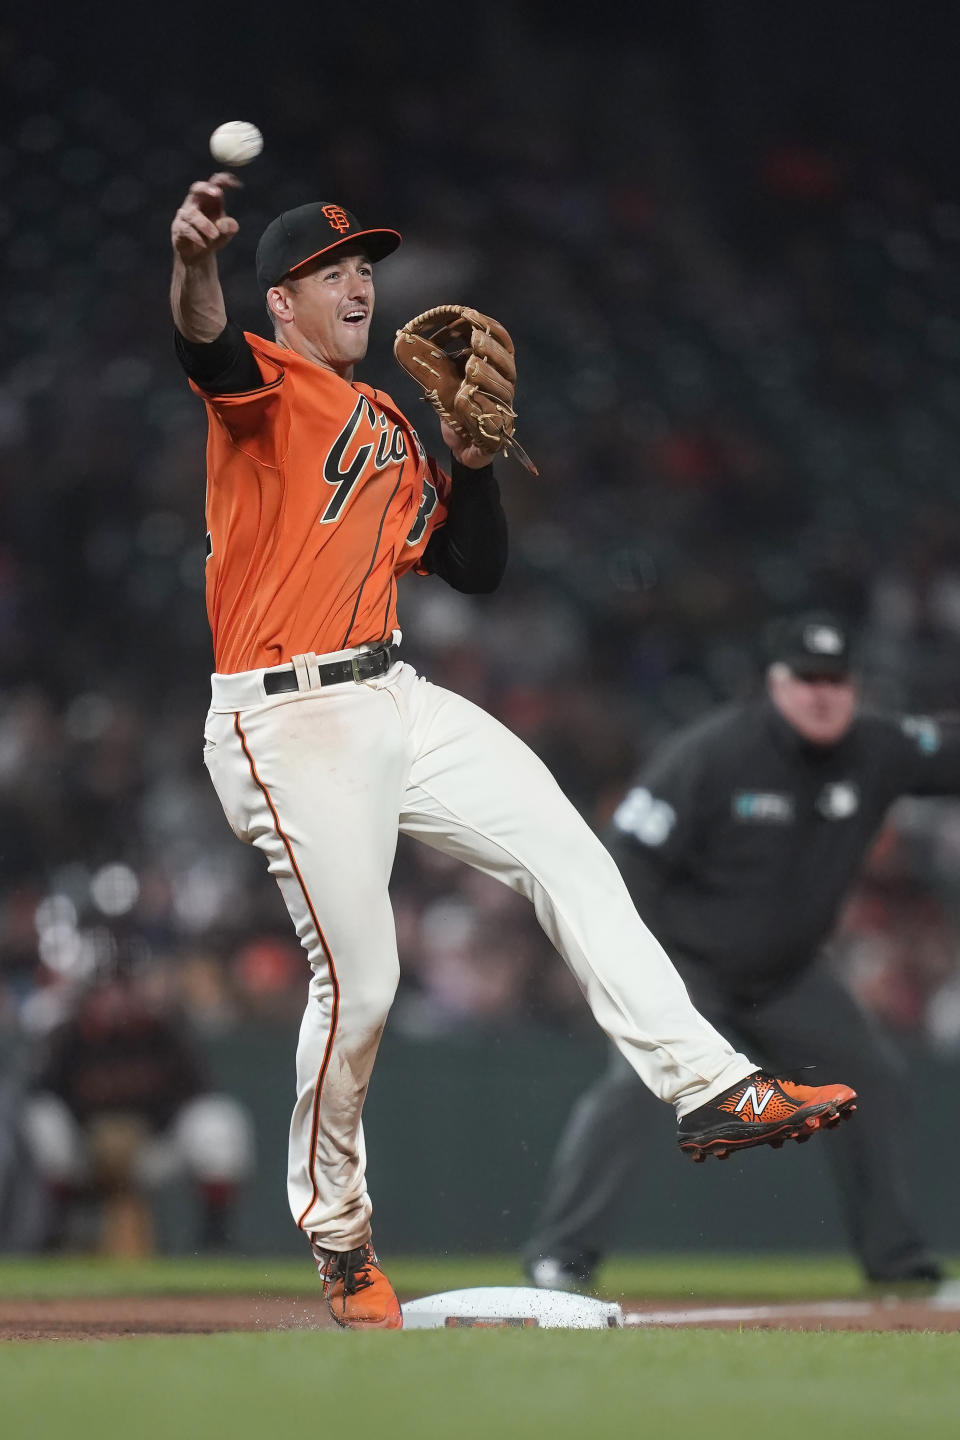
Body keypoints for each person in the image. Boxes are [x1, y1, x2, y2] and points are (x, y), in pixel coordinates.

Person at [169, 175, 856, 1330]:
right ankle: (341, 1239)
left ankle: (710, 1087)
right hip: (285, 716)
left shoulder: (386, 419)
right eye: (330, 272)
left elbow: (474, 569)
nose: (358, 283)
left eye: (365, 266)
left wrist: (472, 459)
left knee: (570, 855)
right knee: (366, 982)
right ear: (279, 302)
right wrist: (193, 261)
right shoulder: (261, 382)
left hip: (395, 688)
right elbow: (200, 344)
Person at [524, 613, 952, 1292]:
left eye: (836, 680)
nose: (822, 694)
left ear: (856, 686)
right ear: (773, 685)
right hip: (688, 971)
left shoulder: (877, 747)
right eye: (805, 678)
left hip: (789, 978)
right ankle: (560, 1257)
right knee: (634, 1090)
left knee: (872, 1080)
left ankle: (898, 1266)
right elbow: (624, 862)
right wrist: (629, 975)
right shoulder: (710, 754)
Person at [21, 961, 254, 1254]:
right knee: (45, 1117)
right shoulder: (69, 1037)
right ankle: (56, 1226)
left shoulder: (163, 1034)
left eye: (123, 991)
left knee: (218, 1120)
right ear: (91, 997)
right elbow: (41, 1094)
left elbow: (197, 1095)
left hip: (152, 1151)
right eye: (106, 992)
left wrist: (143, 1131)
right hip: (86, 1152)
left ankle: (215, 1236)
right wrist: (95, 1133)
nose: (115, 1000)